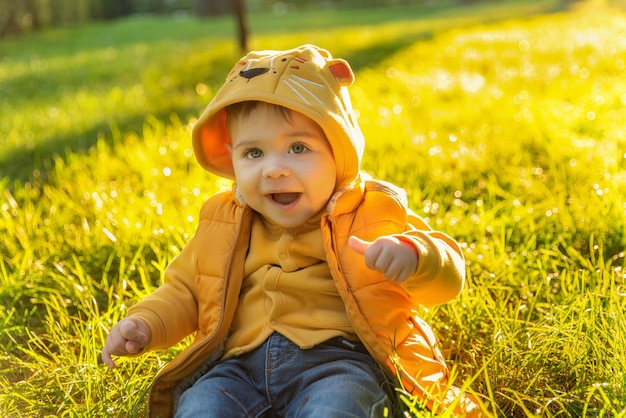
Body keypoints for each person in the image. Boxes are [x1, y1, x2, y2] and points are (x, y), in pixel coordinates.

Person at [101, 44, 482, 417]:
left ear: (339, 150)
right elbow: (185, 291)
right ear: (232, 156)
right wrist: (146, 323)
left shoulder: (371, 211)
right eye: (254, 153)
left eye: (298, 148)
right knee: (200, 405)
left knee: (340, 406)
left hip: (338, 361)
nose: (275, 169)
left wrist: (414, 256)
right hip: (236, 368)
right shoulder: (224, 221)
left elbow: (448, 275)